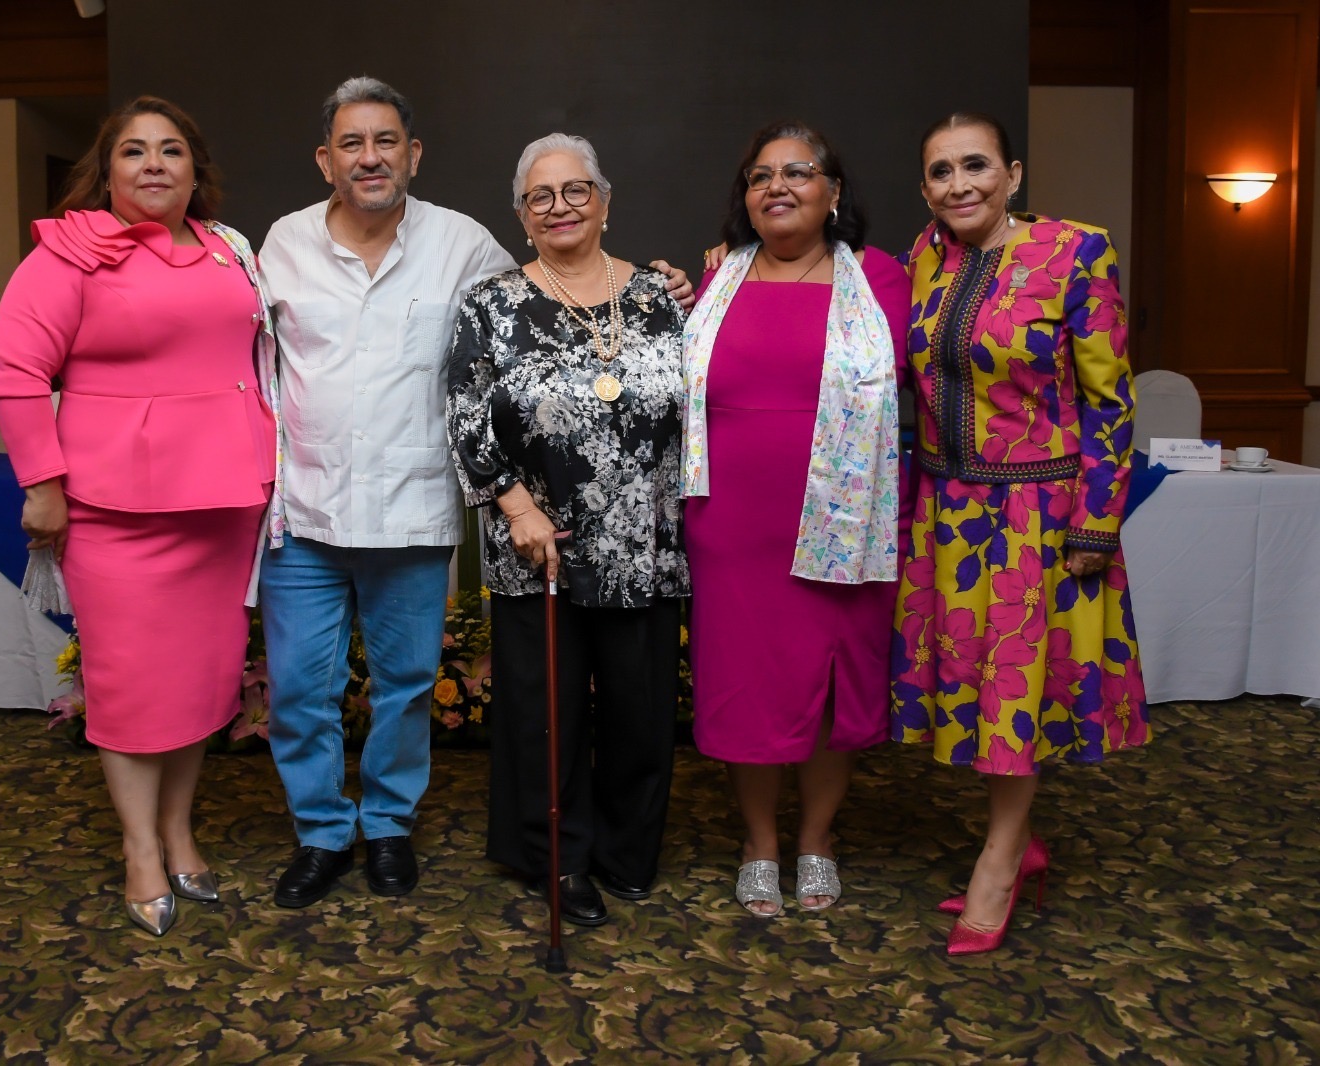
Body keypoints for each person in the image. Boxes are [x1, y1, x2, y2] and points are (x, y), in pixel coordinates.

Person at [254, 78, 692, 910]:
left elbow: (556, 289)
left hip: (413, 515)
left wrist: (667, 283)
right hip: (308, 508)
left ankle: (388, 827)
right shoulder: (281, 244)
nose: (371, 157)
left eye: (387, 140)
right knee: (303, 691)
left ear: (414, 154)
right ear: (325, 160)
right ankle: (321, 834)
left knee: (406, 686)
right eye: (352, 143)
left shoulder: (463, 244)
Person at [0, 96, 279, 936]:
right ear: (106, 169)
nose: (154, 163)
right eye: (134, 151)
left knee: (201, 678)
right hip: (116, 511)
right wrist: (42, 485)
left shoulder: (228, 250)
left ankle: (180, 832)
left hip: (224, 503)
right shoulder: (69, 252)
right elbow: (15, 370)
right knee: (130, 683)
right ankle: (139, 848)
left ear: (195, 170)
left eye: (171, 150)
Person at [890, 111, 1149, 955]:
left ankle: (1000, 863)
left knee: (1017, 698)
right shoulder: (922, 257)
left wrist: (1098, 521)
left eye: (975, 166)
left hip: (1041, 516)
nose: (958, 184)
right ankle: (1018, 841)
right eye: (940, 172)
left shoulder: (1076, 252)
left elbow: (1112, 400)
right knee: (976, 690)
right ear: (924, 187)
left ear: (1013, 174)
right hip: (949, 514)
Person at [446, 134, 689, 926]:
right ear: (522, 215)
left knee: (639, 710)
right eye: (540, 196)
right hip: (537, 544)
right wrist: (517, 508)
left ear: (604, 202)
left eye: (576, 190)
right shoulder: (489, 304)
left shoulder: (661, 296)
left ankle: (626, 851)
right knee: (544, 713)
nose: (560, 207)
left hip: (643, 544)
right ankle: (558, 856)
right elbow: (465, 417)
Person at [684, 121, 910, 918]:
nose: (777, 186)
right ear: (745, 197)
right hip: (731, 525)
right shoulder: (716, 279)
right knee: (746, 684)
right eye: (760, 176)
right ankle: (759, 843)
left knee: (827, 688)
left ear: (833, 191)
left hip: (843, 521)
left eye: (799, 171)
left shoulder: (880, 278)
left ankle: (816, 838)